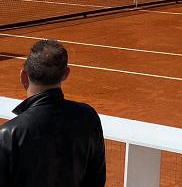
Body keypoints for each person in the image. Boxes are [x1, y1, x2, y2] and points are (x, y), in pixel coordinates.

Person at [0, 39, 106, 187]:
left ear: (23, 76)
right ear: (66, 74)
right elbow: (96, 180)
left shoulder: (7, 134)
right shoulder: (88, 117)